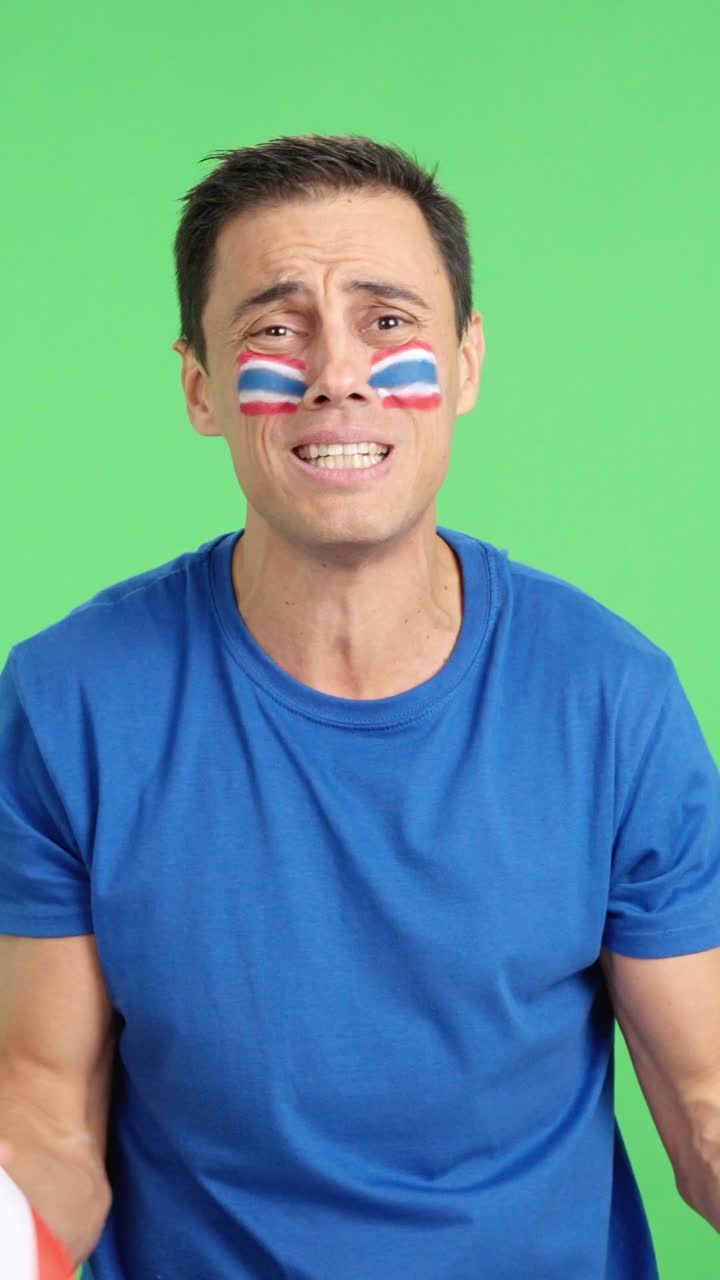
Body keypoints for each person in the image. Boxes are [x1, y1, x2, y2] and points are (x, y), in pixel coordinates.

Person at [1, 134, 719, 1280]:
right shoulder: (68, 701)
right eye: (275, 328)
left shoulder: (611, 698)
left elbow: (703, 1103)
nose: (337, 372)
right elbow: (46, 1110)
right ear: (200, 385)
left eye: (389, 322)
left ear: (468, 362)